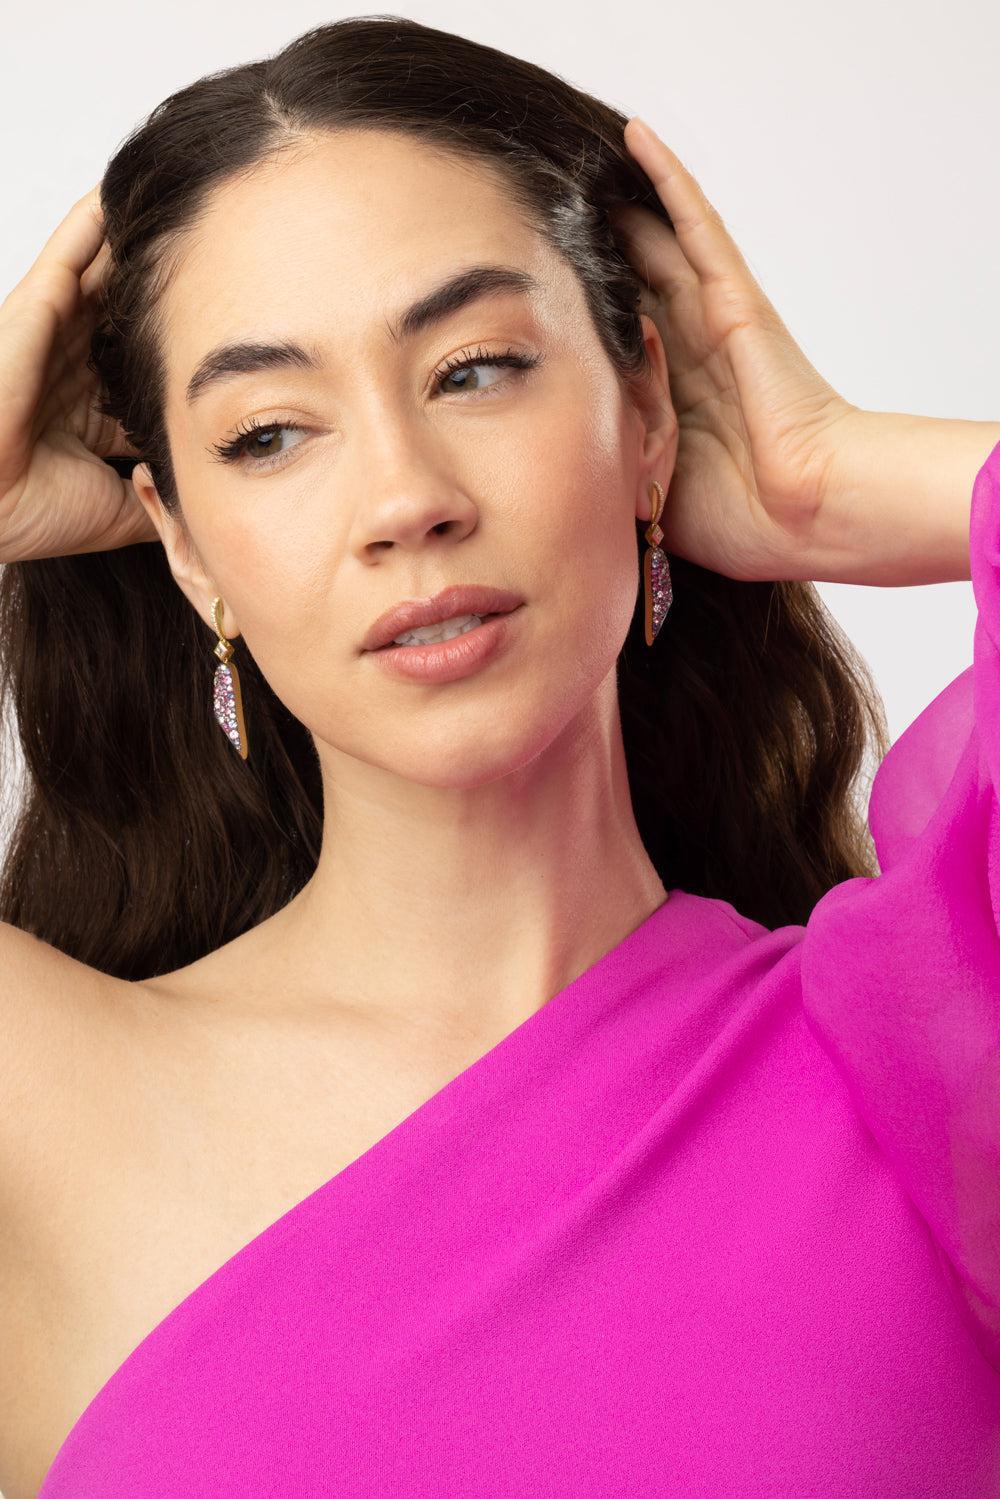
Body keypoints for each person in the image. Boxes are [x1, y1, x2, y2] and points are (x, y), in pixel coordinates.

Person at [0, 16, 997, 1499]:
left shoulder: (926, 1063)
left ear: (642, 410)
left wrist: (844, 484)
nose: (405, 498)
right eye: (267, 434)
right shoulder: (33, 1104)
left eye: (473, 369)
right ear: (187, 547)